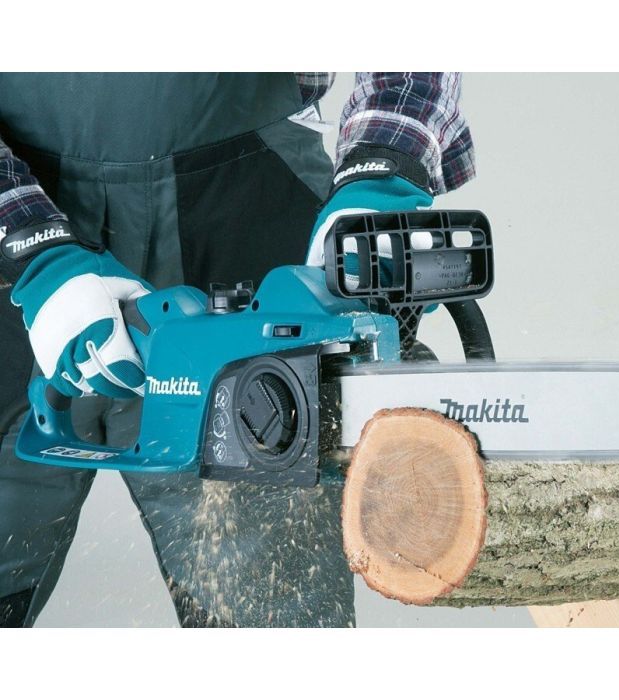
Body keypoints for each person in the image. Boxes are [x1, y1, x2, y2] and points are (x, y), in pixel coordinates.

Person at [0, 72, 476, 627]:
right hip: (17, 214)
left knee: (274, 605)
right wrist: (28, 242)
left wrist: (382, 170)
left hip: (250, 203)